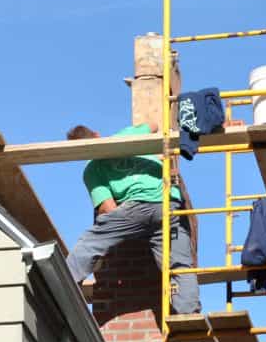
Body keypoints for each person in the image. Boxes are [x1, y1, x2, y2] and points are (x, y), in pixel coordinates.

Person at [65, 122, 201, 315]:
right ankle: (189, 317)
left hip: (135, 207)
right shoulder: (127, 134)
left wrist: (126, 224)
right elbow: (154, 126)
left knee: (90, 243)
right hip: (169, 202)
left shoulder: (92, 170)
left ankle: (63, 283)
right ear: (97, 134)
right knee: (178, 265)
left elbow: (108, 208)